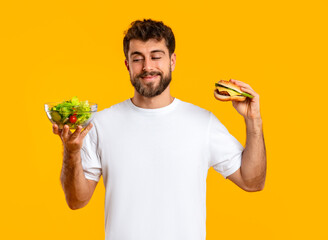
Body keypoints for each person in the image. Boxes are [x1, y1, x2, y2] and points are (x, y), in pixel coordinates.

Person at [52, 19, 266, 240]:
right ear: (127, 65)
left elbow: (252, 181)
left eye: (156, 56)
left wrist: (253, 120)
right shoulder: (101, 124)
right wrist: (72, 151)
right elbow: (76, 201)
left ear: (172, 61)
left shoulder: (203, 122)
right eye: (137, 59)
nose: (147, 67)